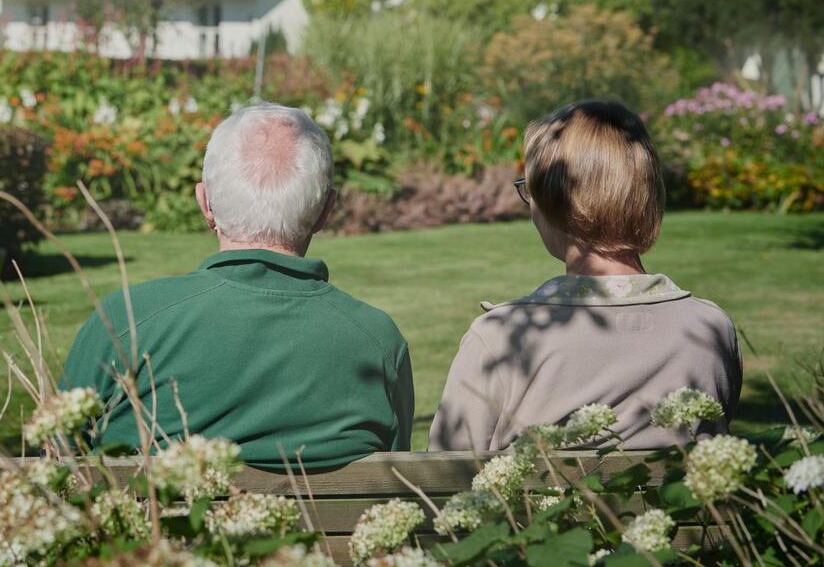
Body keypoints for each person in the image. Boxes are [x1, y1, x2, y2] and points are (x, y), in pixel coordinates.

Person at [62, 103, 414, 469]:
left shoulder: (126, 321)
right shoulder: (378, 343)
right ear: (326, 210)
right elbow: (397, 481)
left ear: (205, 202)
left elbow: (54, 460)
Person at [429, 100, 741, 451]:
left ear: (554, 199)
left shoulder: (501, 339)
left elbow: (443, 472)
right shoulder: (711, 330)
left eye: (529, 189)